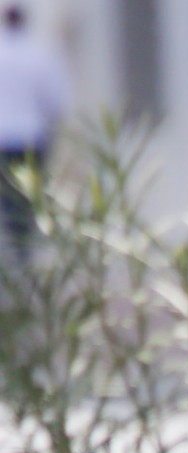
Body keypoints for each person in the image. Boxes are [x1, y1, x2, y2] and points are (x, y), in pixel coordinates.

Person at [0, 3, 68, 261]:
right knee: (30, 194)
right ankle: (25, 247)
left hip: (3, 138)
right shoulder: (40, 54)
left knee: (7, 195)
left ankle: (16, 246)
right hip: (32, 137)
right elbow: (56, 100)